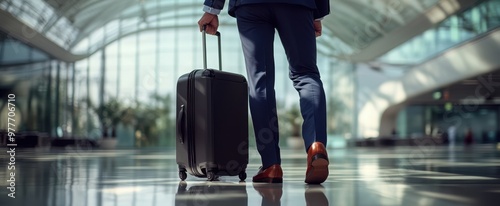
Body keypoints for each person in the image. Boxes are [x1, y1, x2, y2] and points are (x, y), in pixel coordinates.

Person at [198, 0, 330, 184]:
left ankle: (271, 164)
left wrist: (212, 8)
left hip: (250, 5)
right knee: (306, 74)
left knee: (260, 82)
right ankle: (316, 146)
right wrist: (318, 13)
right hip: (298, 6)